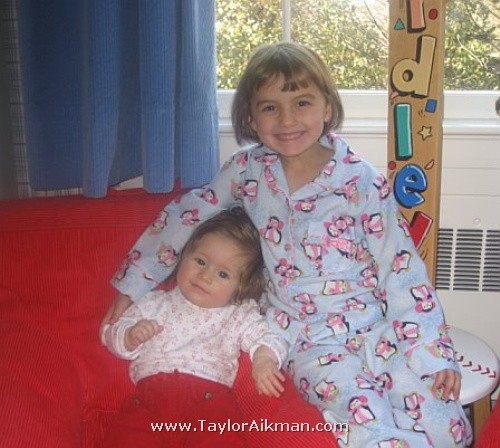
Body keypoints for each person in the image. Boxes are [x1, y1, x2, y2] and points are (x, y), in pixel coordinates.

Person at [102, 42, 472, 447]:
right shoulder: (246, 171)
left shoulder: (361, 180)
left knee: (445, 422)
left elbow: (400, 268)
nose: (287, 119)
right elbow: (186, 216)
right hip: (304, 338)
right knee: (366, 419)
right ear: (251, 117)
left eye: (302, 103)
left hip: (374, 325)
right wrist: (133, 284)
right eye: (270, 107)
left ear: (327, 107)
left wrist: (431, 352)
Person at [101, 208, 288, 447]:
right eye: (200, 261)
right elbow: (112, 331)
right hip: (149, 400)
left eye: (223, 274)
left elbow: (266, 336)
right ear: (182, 256)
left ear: (241, 287)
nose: (205, 276)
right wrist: (129, 336)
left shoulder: (238, 313)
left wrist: (264, 360)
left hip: (210, 404)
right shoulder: (153, 302)